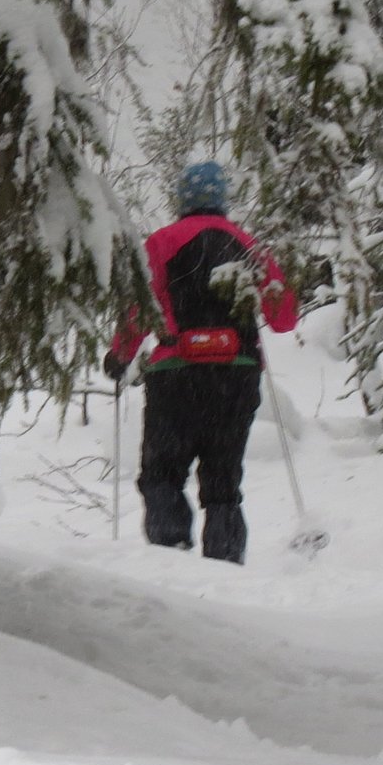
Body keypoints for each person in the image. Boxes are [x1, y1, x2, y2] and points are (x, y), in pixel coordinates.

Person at [105, 162, 298, 563]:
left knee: (162, 475)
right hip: (236, 374)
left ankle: (173, 558)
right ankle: (225, 567)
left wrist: (121, 355)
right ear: (222, 199)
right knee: (223, 484)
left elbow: (140, 308)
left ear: (183, 200)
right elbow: (284, 319)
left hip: (176, 374)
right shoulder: (250, 246)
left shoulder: (160, 242)